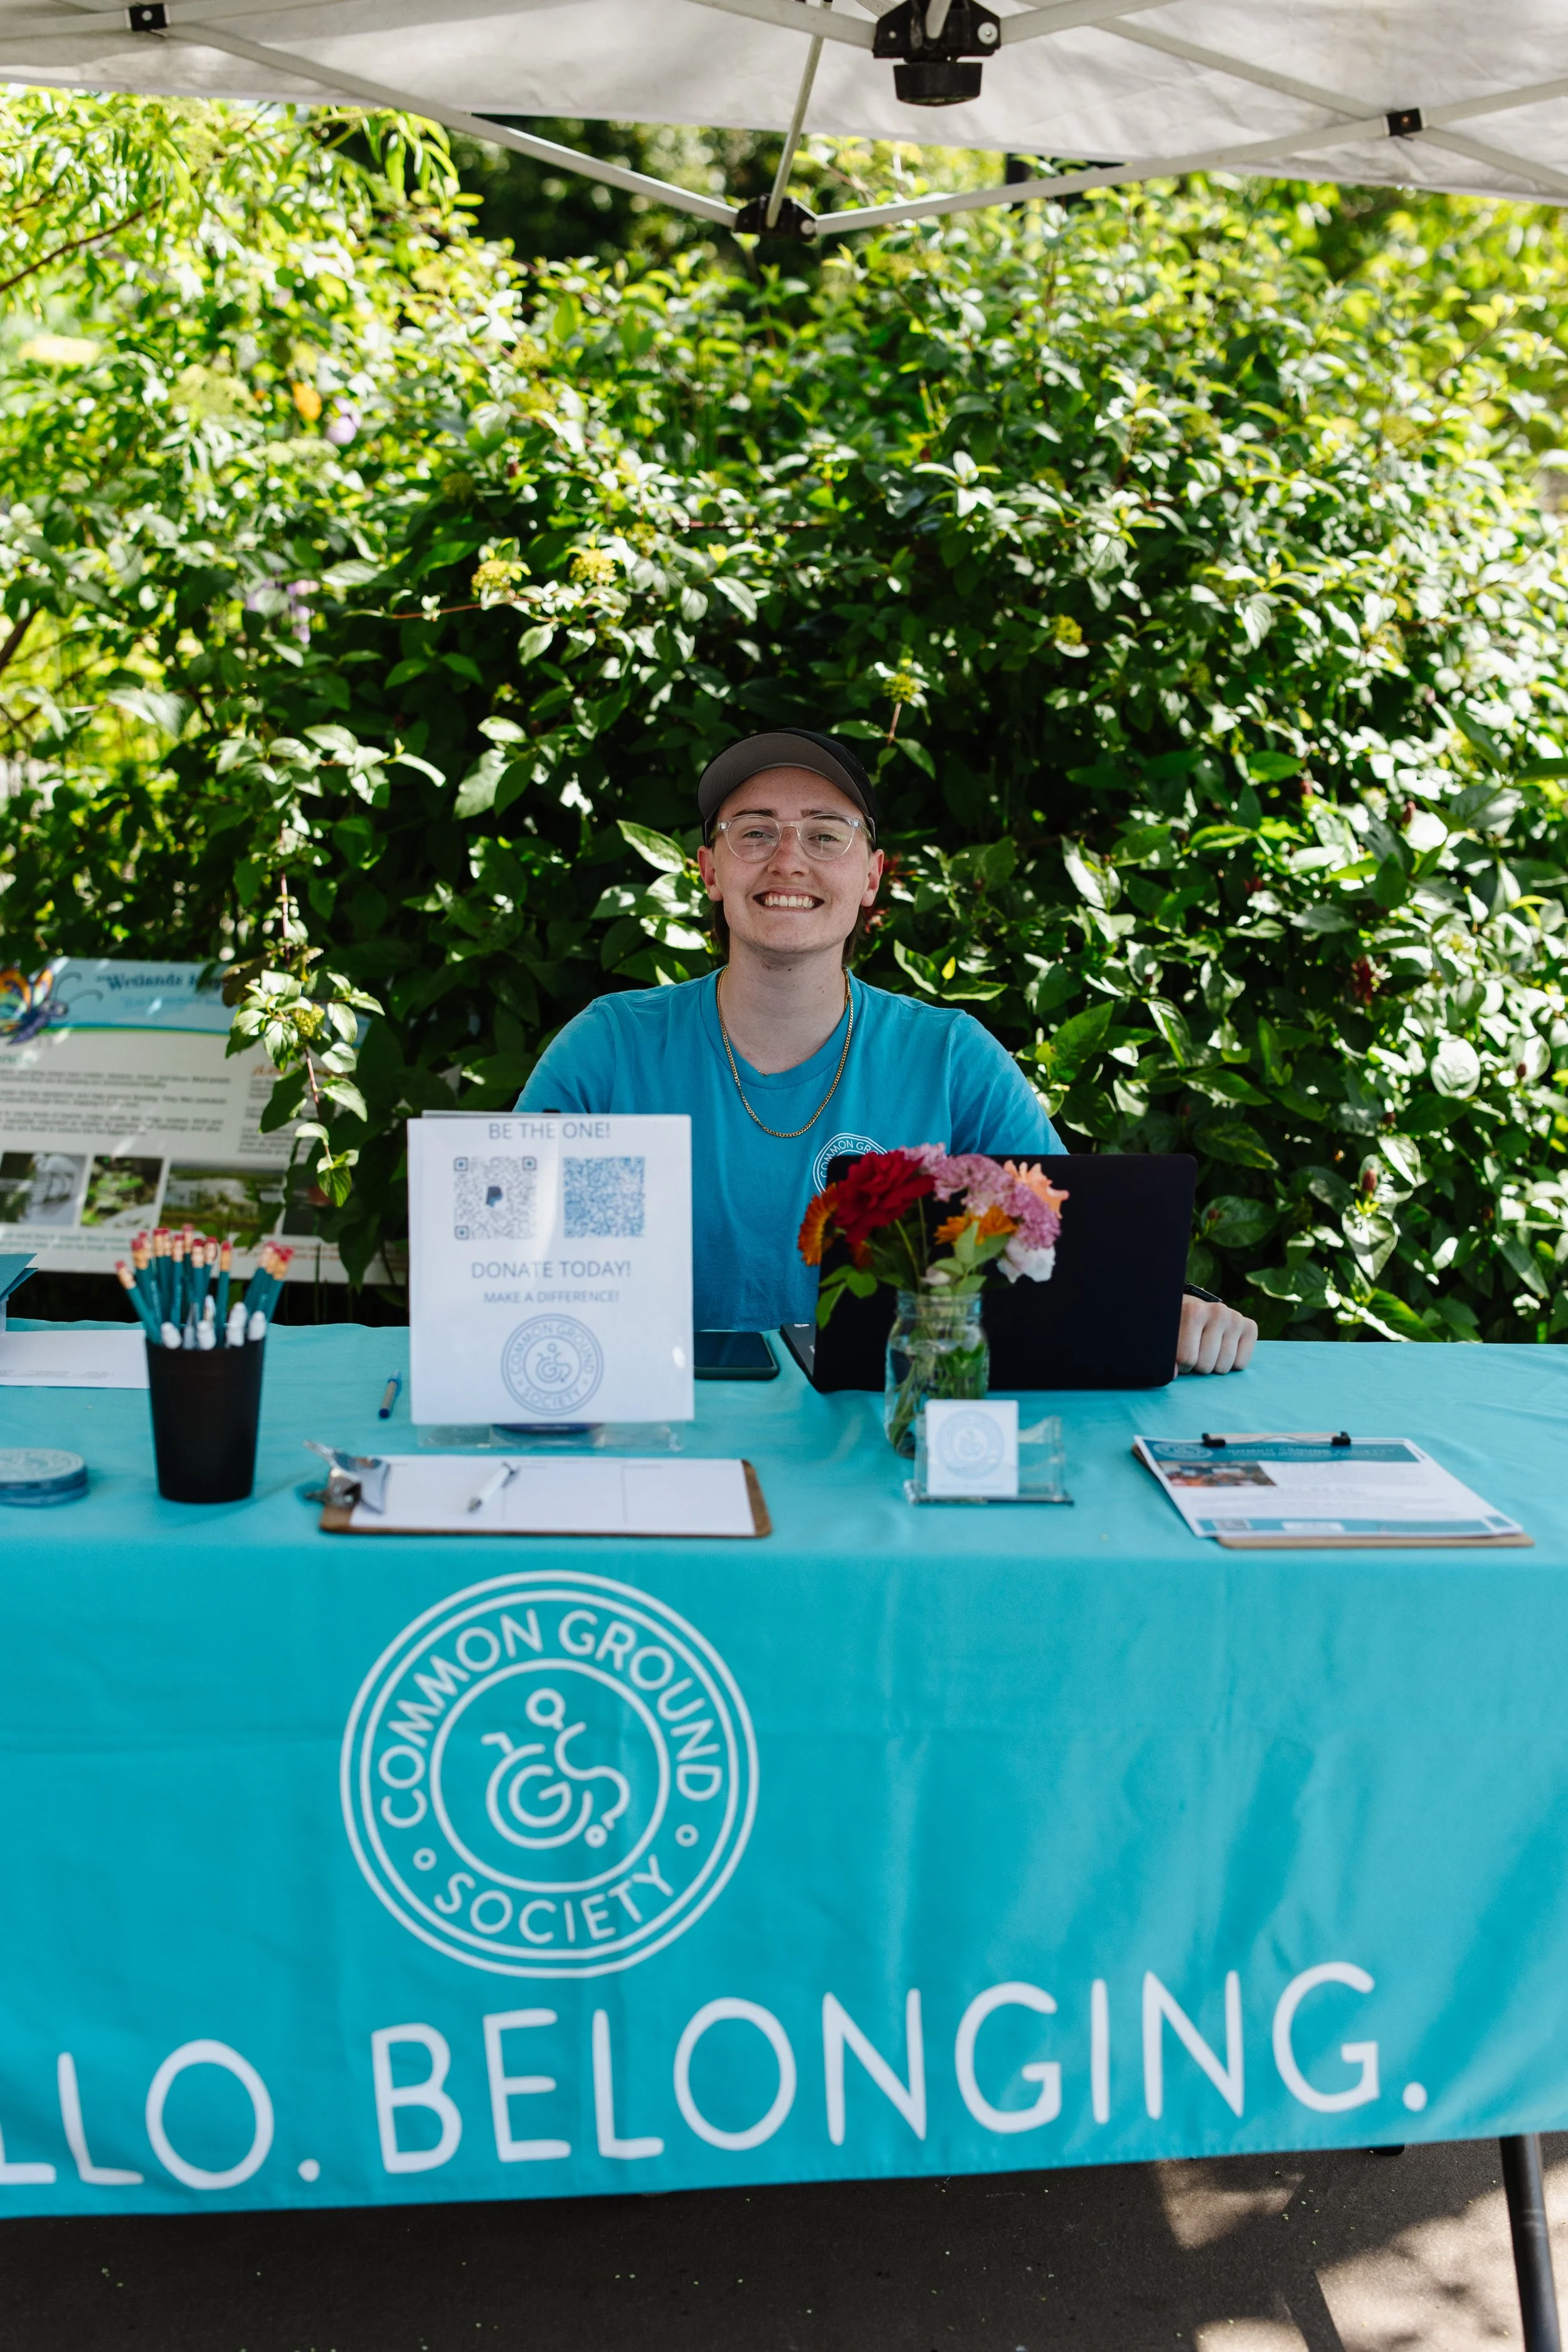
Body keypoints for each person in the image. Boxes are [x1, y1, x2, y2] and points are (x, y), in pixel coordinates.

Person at [519, 727, 1256, 1371]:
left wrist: (1178, 1307)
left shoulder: (951, 1058)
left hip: (881, 1443)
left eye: (824, 833)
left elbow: (1061, 1243)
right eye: (753, 831)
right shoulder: (609, 1049)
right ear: (710, 870)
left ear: (870, 878)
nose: (787, 860)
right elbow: (502, 1254)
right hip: (660, 1433)